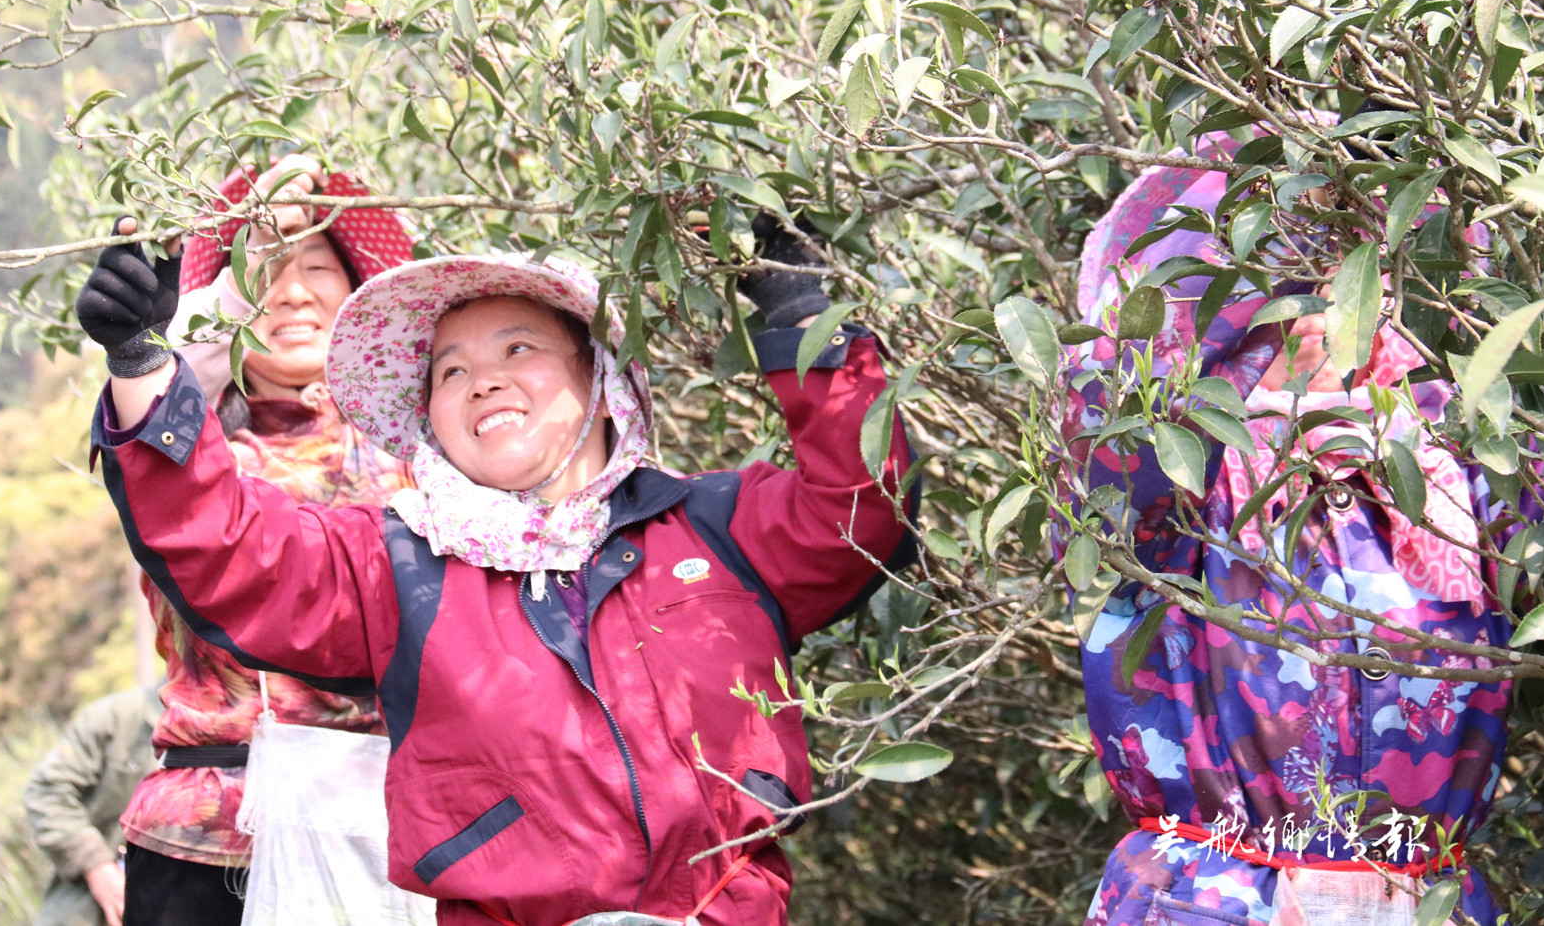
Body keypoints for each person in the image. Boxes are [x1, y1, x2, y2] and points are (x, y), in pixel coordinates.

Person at [75, 211, 918, 925]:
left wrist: (804, 313)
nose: (484, 381)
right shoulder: (398, 564)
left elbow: (860, 505)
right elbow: (233, 551)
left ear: (598, 373)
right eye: (451, 371)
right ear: (429, 420)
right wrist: (147, 367)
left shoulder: (714, 528)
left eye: (520, 347)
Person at [1053, 134, 1537, 926]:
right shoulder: (1180, 469)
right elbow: (1104, 413)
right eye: (1284, 299)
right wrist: (1258, 234)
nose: (1314, 317)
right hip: (1212, 900)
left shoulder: (1449, 471)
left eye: (1343, 284)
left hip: (1426, 901)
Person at [102, 161, 419, 926]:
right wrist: (143, 353)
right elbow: (155, 450)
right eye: (263, 270)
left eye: (317, 266)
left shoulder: (427, 449)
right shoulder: (191, 439)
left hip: (388, 829)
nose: (293, 291)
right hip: (210, 840)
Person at [24, 683, 161, 926]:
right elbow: (47, 791)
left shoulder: (244, 724)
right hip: (95, 907)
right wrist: (96, 865)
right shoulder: (114, 717)